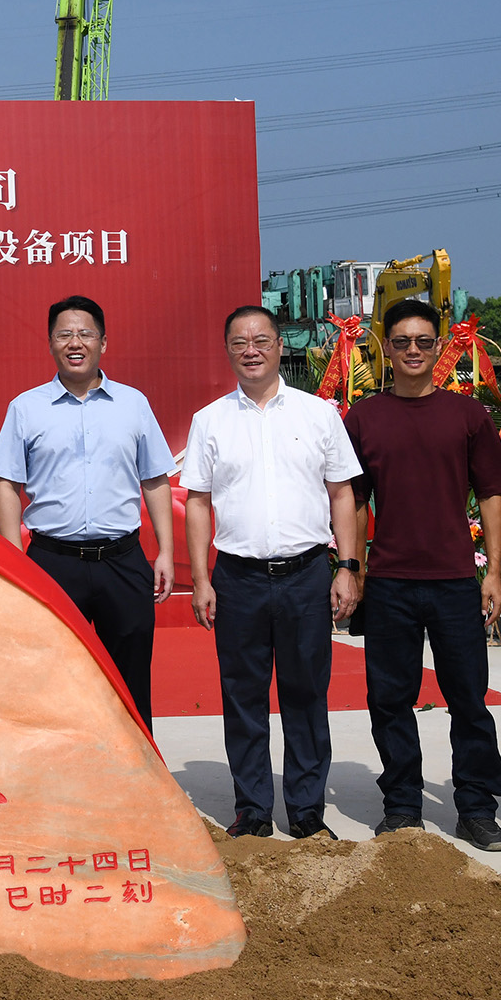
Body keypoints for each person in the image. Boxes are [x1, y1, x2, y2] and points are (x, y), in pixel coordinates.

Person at [183, 305, 364, 840]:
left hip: (306, 574)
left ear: (279, 346)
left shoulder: (318, 414)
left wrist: (347, 567)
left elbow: (342, 494)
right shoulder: (210, 420)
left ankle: (307, 810)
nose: (251, 350)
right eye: (239, 342)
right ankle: (253, 809)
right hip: (236, 577)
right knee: (242, 694)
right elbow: (196, 502)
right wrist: (201, 578)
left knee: (306, 692)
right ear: (228, 351)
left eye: (261, 339)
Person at [343, 298, 501, 851]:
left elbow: (491, 491)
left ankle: (477, 807)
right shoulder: (364, 417)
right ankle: (402, 805)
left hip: (456, 580)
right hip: (390, 582)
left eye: (423, 341)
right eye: (401, 342)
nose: (413, 350)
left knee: (468, 697)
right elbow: (353, 501)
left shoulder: (467, 415)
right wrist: (356, 570)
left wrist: (494, 569)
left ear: (438, 347)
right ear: (386, 349)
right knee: (389, 698)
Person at [0, 295, 175, 728]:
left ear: (103, 342)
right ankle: (61, 783)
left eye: (85, 333)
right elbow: (6, 484)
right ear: (51, 343)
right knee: (52, 677)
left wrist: (164, 550)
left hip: (122, 562)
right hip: (53, 562)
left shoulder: (133, 404)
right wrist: (15, 557)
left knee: (130, 681)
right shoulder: (26, 407)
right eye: (64, 334)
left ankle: (138, 783)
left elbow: (155, 480)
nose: (76, 342)